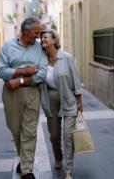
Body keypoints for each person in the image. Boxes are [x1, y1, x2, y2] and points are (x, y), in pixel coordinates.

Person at [0, 17, 48, 179]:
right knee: (15, 129)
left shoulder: (40, 48)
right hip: (11, 93)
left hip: (32, 91)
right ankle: (24, 159)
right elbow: (1, 71)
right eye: (36, 33)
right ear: (25, 32)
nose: (39, 36)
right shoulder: (8, 46)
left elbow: (42, 73)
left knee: (30, 131)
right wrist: (23, 71)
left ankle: (27, 169)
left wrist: (20, 80)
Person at [40, 29, 83, 179]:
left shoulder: (67, 58)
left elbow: (76, 81)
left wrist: (79, 102)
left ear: (54, 40)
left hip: (68, 98)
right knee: (54, 136)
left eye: (45, 37)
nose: (42, 39)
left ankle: (68, 170)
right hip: (51, 98)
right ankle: (58, 157)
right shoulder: (41, 60)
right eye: (41, 38)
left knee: (67, 136)